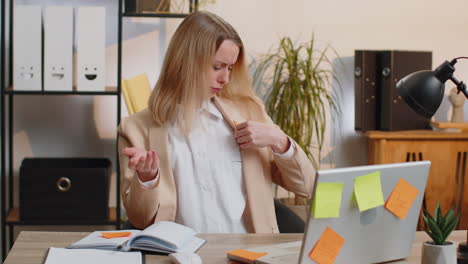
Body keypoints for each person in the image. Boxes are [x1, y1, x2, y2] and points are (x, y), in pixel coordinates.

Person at [118, 11, 315, 233]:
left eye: (230, 68)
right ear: (186, 62)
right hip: (179, 256)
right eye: (217, 67)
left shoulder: (250, 112)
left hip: (247, 255)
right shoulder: (134, 128)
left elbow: (306, 186)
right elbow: (140, 220)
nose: (226, 78)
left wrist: (280, 141)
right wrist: (147, 179)